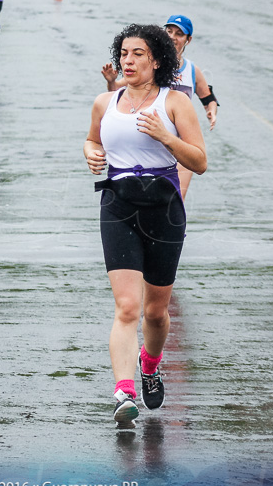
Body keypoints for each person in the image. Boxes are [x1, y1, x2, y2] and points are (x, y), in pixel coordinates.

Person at [84, 24, 207, 428]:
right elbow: (92, 140)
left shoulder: (176, 103)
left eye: (138, 54)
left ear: (156, 60)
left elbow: (199, 162)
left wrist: (166, 138)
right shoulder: (105, 102)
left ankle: (150, 364)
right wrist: (91, 154)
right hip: (118, 204)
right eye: (124, 53)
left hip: (164, 208)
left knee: (156, 312)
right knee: (127, 307)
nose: (128, 60)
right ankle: (124, 391)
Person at [101, 14, 218, 200]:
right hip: (152, 142)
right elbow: (116, 93)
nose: (173, 36)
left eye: (179, 34)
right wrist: (111, 82)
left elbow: (208, 97)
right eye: (169, 31)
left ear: (188, 40)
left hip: (181, 142)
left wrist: (211, 110)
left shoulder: (191, 70)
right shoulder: (142, 68)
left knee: (176, 198)